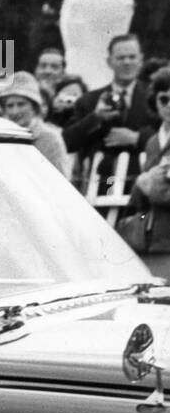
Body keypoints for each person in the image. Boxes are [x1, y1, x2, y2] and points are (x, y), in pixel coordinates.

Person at [63, 33, 152, 195]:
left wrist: (137, 138)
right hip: (97, 189)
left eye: (132, 57)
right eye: (121, 58)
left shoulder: (156, 97)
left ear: (141, 60)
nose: (127, 62)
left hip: (141, 190)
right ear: (109, 62)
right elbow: (67, 142)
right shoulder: (88, 101)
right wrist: (95, 117)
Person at [119, 66, 170, 277]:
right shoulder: (152, 142)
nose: (169, 106)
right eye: (164, 99)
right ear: (155, 102)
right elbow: (138, 199)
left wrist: (151, 187)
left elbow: (155, 191)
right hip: (151, 238)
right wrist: (142, 184)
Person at [0, 72, 70, 178]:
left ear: (34, 107)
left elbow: (61, 182)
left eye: (21, 104)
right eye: (10, 105)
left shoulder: (50, 139)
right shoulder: (1, 137)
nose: (15, 111)